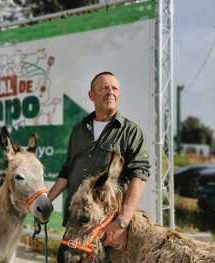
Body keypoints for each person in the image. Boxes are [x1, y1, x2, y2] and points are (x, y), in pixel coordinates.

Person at [48, 72, 150, 261]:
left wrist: (121, 223)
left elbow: (140, 176)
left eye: (115, 88)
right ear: (91, 95)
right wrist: (47, 201)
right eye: (104, 88)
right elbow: (67, 171)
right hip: (78, 222)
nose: (111, 92)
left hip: (107, 227)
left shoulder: (131, 132)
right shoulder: (79, 130)